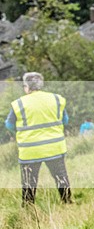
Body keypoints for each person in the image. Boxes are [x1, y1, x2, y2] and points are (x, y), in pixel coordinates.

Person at [5, 72, 72, 205]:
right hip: (54, 147)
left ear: (26, 86)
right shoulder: (56, 99)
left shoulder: (19, 104)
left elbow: (9, 125)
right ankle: (67, 202)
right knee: (61, 177)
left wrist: (22, 133)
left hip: (30, 150)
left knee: (29, 181)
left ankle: (29, 208)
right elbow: (65, 120)